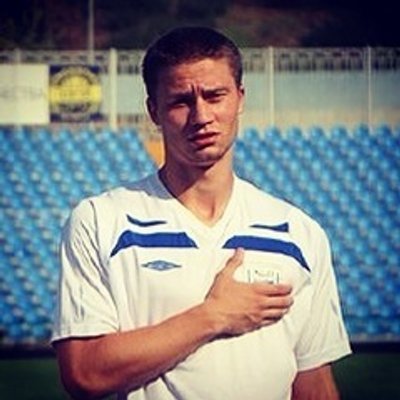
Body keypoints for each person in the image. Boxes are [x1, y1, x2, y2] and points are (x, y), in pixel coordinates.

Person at [52, 26, 351, 400]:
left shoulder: (298, 233)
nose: (201, 116)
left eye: (215, 96)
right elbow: (84, 372)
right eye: (181, 101)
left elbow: (315, 385)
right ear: (154, 111)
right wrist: (214, 315)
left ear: (240, 98)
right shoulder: (101, 220)